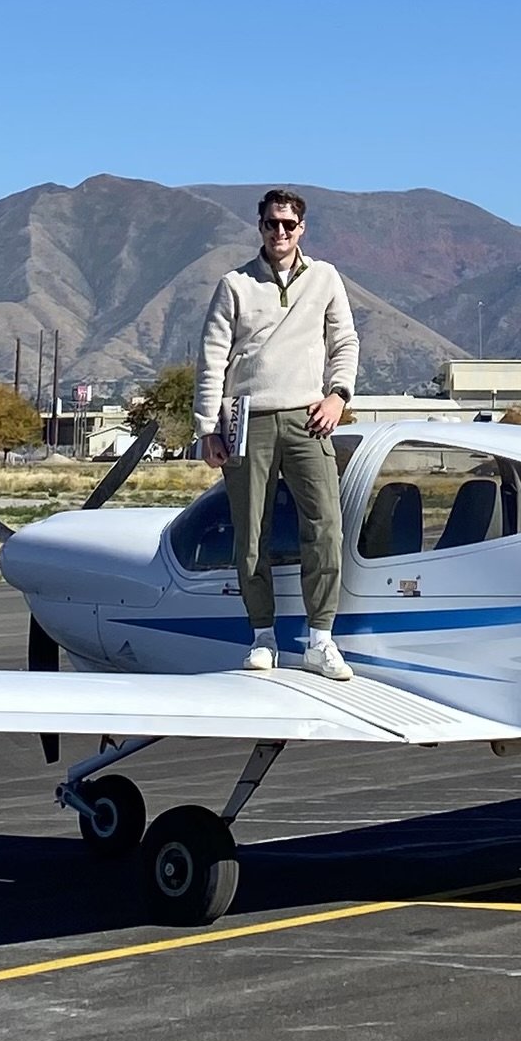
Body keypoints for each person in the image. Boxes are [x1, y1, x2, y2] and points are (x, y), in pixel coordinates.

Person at [195, 189, 359, 679]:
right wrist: (207, 428)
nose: (280, 233)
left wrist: (338, 395)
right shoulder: (234, 284)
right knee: (251, 534)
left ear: (302, 228)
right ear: (260, 227)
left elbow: (344, 340)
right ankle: (262, 635)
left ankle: (321, 639)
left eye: (289, 225)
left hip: (309, 418)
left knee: (325, 528)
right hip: (248, 419)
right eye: (272, 224)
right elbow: (211, 360)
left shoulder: (326, 277)